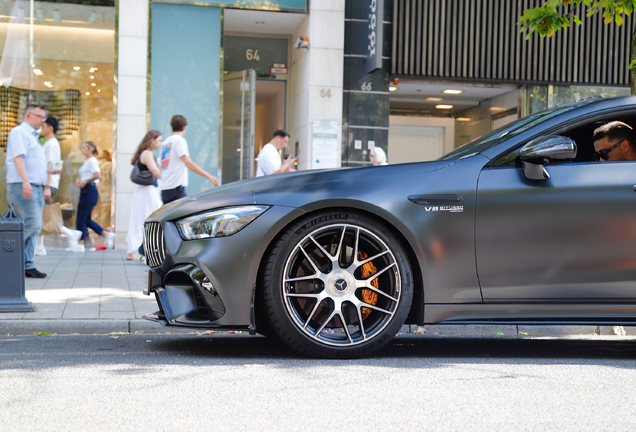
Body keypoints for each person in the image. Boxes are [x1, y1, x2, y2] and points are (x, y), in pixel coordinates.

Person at [5, 105, 49, 278]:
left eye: (44, 117)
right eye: (40, 116)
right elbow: (18, 157)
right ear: (28, 115)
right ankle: (6, 249)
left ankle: (26, 265)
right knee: (34, 223)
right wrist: (25, 181)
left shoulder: (33, 136)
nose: (42, 120)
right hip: (22, 186)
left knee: (34, 227)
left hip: (34, 187)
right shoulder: (19, 132)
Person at [159, 115, 219, 204]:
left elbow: (161, 167)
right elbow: (189, 163)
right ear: (184, 127)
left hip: (165, 190)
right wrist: (208, 175)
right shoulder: (179, 140)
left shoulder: (165, 143)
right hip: (176, 189)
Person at [67, 141, 115, 252]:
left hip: (89, 190)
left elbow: (98, 175)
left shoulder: (92, 160)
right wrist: (80, 180)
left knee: (81, 217)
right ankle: (105, 234)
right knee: (86, 218)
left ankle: (80, 243)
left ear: (90, 149)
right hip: (86, 190)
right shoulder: (87, 161)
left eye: (84, 148)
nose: (82, 150)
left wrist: (86, 182)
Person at [126, 130, 163, 263]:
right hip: (147, 192)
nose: (160, 143)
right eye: (159, 140)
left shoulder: (145, 153)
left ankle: (134, 250)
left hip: (144, 191)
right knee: (147, 219)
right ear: (152, 140)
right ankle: (136, 250)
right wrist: (169, 179)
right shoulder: (147, 153)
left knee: (140, 220)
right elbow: (154, 171)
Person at [34, 116, 62, 256]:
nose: (41, 128)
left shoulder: (51, 144)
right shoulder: (52, 143)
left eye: (44, 126)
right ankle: (39, 246)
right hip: (48, 183)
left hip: (47, 183)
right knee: (42, 214)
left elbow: (50, 164)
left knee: (41, 214)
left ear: (50, 128)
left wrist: (46, 186)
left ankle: (39, 246)